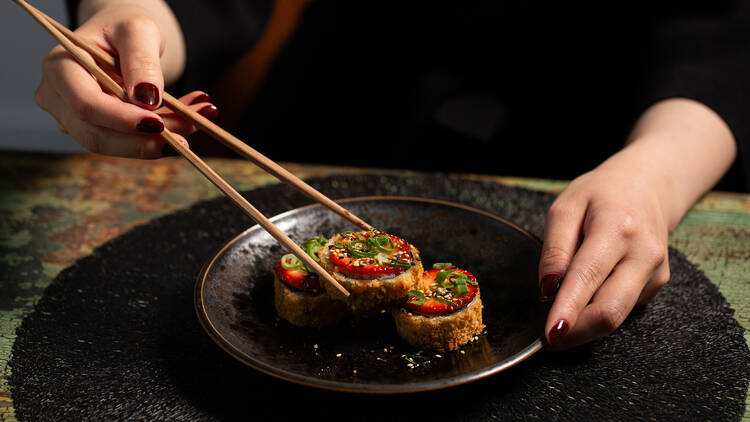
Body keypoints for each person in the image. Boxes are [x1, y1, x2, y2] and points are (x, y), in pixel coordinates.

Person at [38, 0, 747, 349]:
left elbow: (726, 29)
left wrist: (657, 174)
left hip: (587, 147)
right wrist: (132, 16)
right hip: (341, 106)